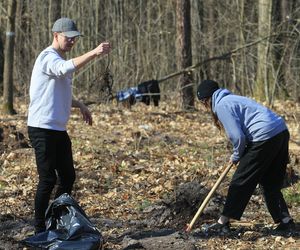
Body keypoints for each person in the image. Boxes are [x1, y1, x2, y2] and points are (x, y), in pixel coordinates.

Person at [27, 17, 111, 234]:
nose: (72, 41)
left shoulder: (59, 59)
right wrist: (93, 53)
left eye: (75, 38)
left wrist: (80, 104)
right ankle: (39, 229)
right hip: (41, 128)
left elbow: (58, 93)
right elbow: (63, 69)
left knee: (68, 176)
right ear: (56, 35)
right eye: (68, 38)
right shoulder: (48, 58)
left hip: (58, 130)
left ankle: (55, 218)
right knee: (48, 179)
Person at [196, 80, 295, 233]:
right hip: (280, 131)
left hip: (264, 136)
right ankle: (286, 221)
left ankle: (223, 223)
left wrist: (236, 155)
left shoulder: (222, 105)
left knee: (240, 180)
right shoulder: (234, 99)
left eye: (203, 103)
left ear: (206, 99)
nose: (205, 106)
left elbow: (238, 137)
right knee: (270, 182)